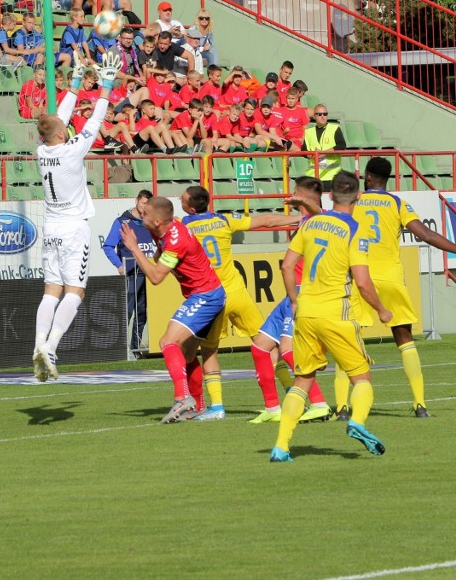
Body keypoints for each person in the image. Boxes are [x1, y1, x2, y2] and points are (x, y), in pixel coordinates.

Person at [334, 156, 456, 420]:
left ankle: (342, 408)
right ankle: (420, 405)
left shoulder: (353, 203)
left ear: (368, 177)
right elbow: (426, 235)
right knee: (405, 340)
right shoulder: (397, 203)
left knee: (346, 341)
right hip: (391, 278)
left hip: (361, 277)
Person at [270, 170, 393, 462]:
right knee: (361, 376)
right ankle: (358, 422)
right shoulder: (355, 229)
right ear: (359, 197)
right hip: (336, 312)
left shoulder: (310, 224)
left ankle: (281, 446)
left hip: (306, 312)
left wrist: (294, 300)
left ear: (331, 195)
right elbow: (362, 282)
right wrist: (381, 309)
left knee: (303, 380)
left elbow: (287, 266)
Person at [32, 50, 123, 381]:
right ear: (59, 134)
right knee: (74, 292)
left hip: (51, 226)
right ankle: (51, 346)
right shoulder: (71, 151)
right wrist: (106, 86)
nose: (67, 128)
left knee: (50, 290)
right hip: (73, 228)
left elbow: (61, 118)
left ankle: (39, 343)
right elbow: (95, 122)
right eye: (62, 127)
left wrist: (74, 83)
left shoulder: (43, 150)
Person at [180, 185, 302, 421]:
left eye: (182, 199)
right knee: (265, 344)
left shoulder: (184, 227)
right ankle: (291, 392)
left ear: (191, 207)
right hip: (237, 292)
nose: (179, 200)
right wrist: (300, 218)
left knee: (209, 351)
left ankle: (217, 407)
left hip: (212, 296)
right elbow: (265, 221)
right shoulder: (223, 221)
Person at [120, 196, 226, 424]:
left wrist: (134, 249)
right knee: (186, 355)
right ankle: (197, 406)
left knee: (168, 342)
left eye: (145, 213)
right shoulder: (169, 228)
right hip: (208, 293)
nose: (141, 215)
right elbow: (159, 257)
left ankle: (182, 398)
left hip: (206, 295)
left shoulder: (176, 240)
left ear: (158, 220)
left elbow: (157, 277)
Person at [250, 176, 333, 424]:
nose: (291, 195)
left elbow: (320, 213)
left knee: (287, 350)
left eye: (296, 192)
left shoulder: (322, 219)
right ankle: (272, 408)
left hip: (304, 293)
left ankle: (319, 404)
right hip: (290, 295)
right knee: (260, 347)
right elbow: (274, 220)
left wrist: (308, 204)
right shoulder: (304, 220)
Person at [102, 190, 156, 354]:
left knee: (143, 312)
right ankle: (119, 348)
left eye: (148, 203)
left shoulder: (151, 222)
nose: (145, 206)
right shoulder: (122, 222)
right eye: (143, 202)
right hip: (131, 274)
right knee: (127, 311)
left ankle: (135, 347)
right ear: (137, 200)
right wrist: (119, 265)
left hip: (147, 274)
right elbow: (108, 246)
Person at [302, 103, 346, 191]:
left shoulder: (335, 129)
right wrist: (312, 155)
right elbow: (304, 150)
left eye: (325, 114)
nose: (322, 116)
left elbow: (341, 145)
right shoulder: (308, 132)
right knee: (314, 204)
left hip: (331, 176)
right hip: (313, 176)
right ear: (314, 116)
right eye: (319, 114)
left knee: (329, 204)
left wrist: (323, 153)